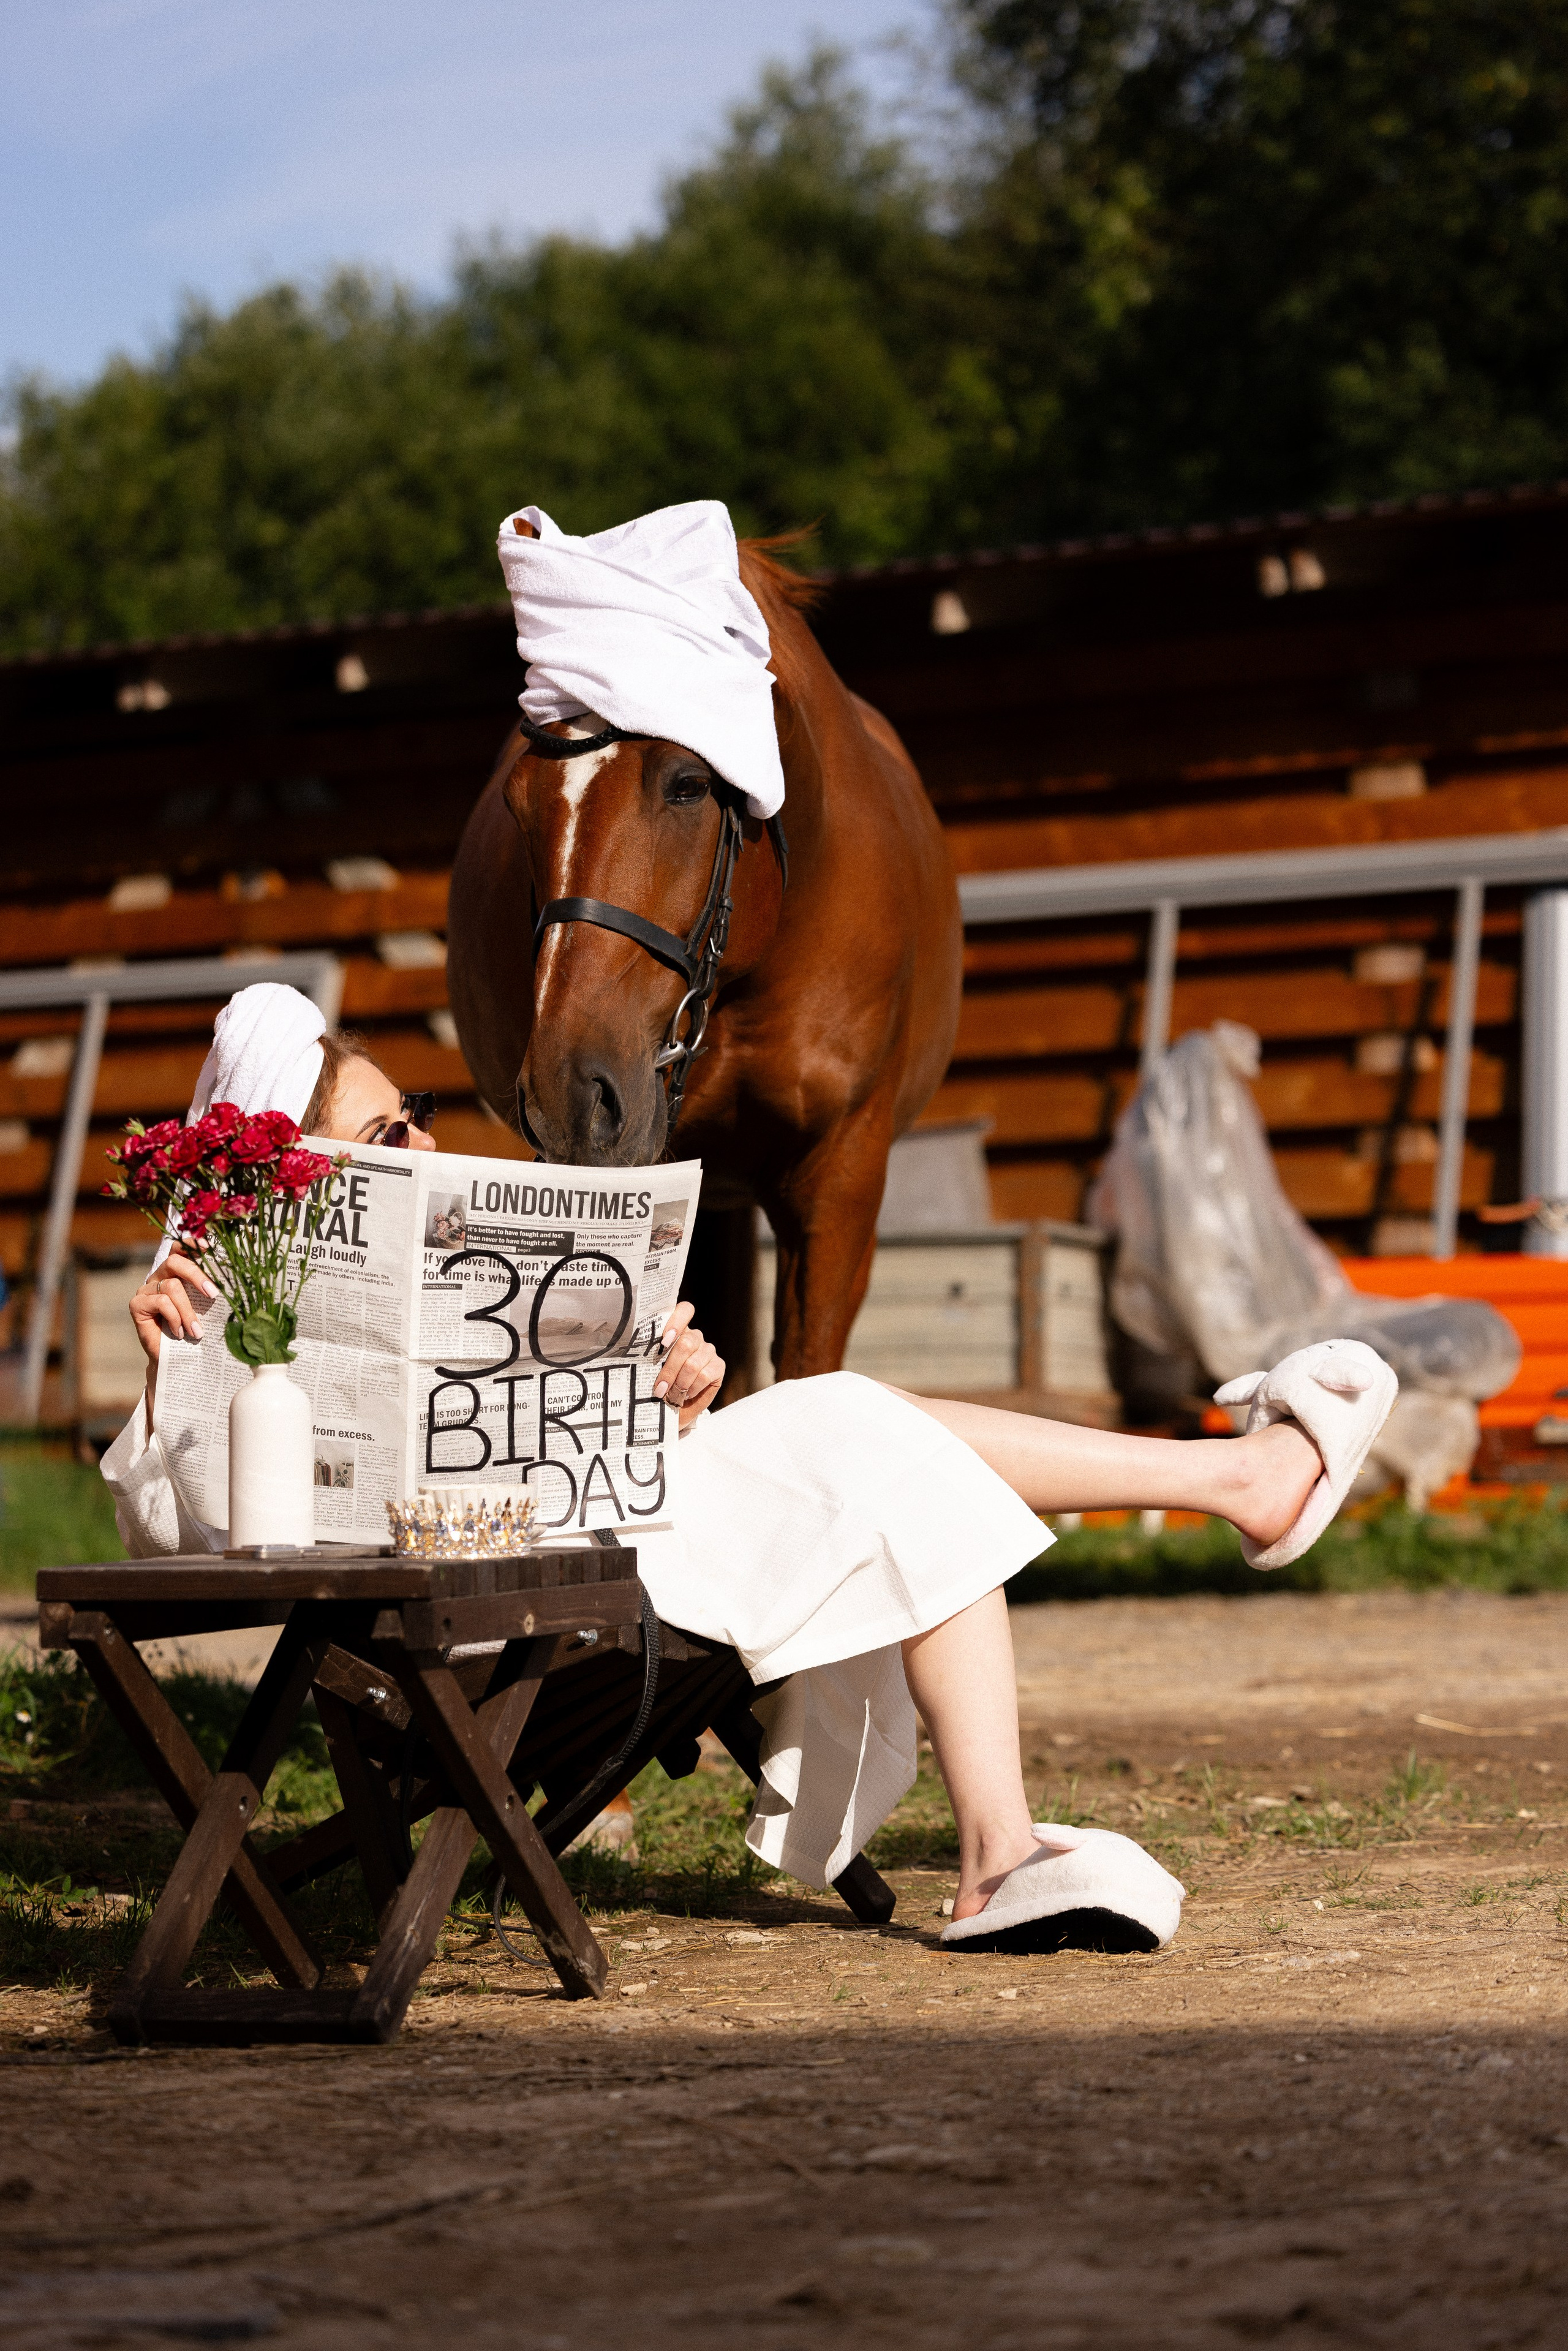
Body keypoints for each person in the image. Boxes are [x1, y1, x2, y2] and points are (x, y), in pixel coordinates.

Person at [104, 984, 1395, 1955]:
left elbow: (566, 1462)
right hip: (481, 1641)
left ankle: (1209, 1519)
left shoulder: (446, 1257)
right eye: (389, 1129)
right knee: (859, 1426)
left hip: (596, 1568)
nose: (427, 1144)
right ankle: (1212, 1516)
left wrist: (664, 1392)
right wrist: (171, 1368)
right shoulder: (216, 1311)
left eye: (420, 1113)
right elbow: (179, 1530)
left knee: (855, 1422)